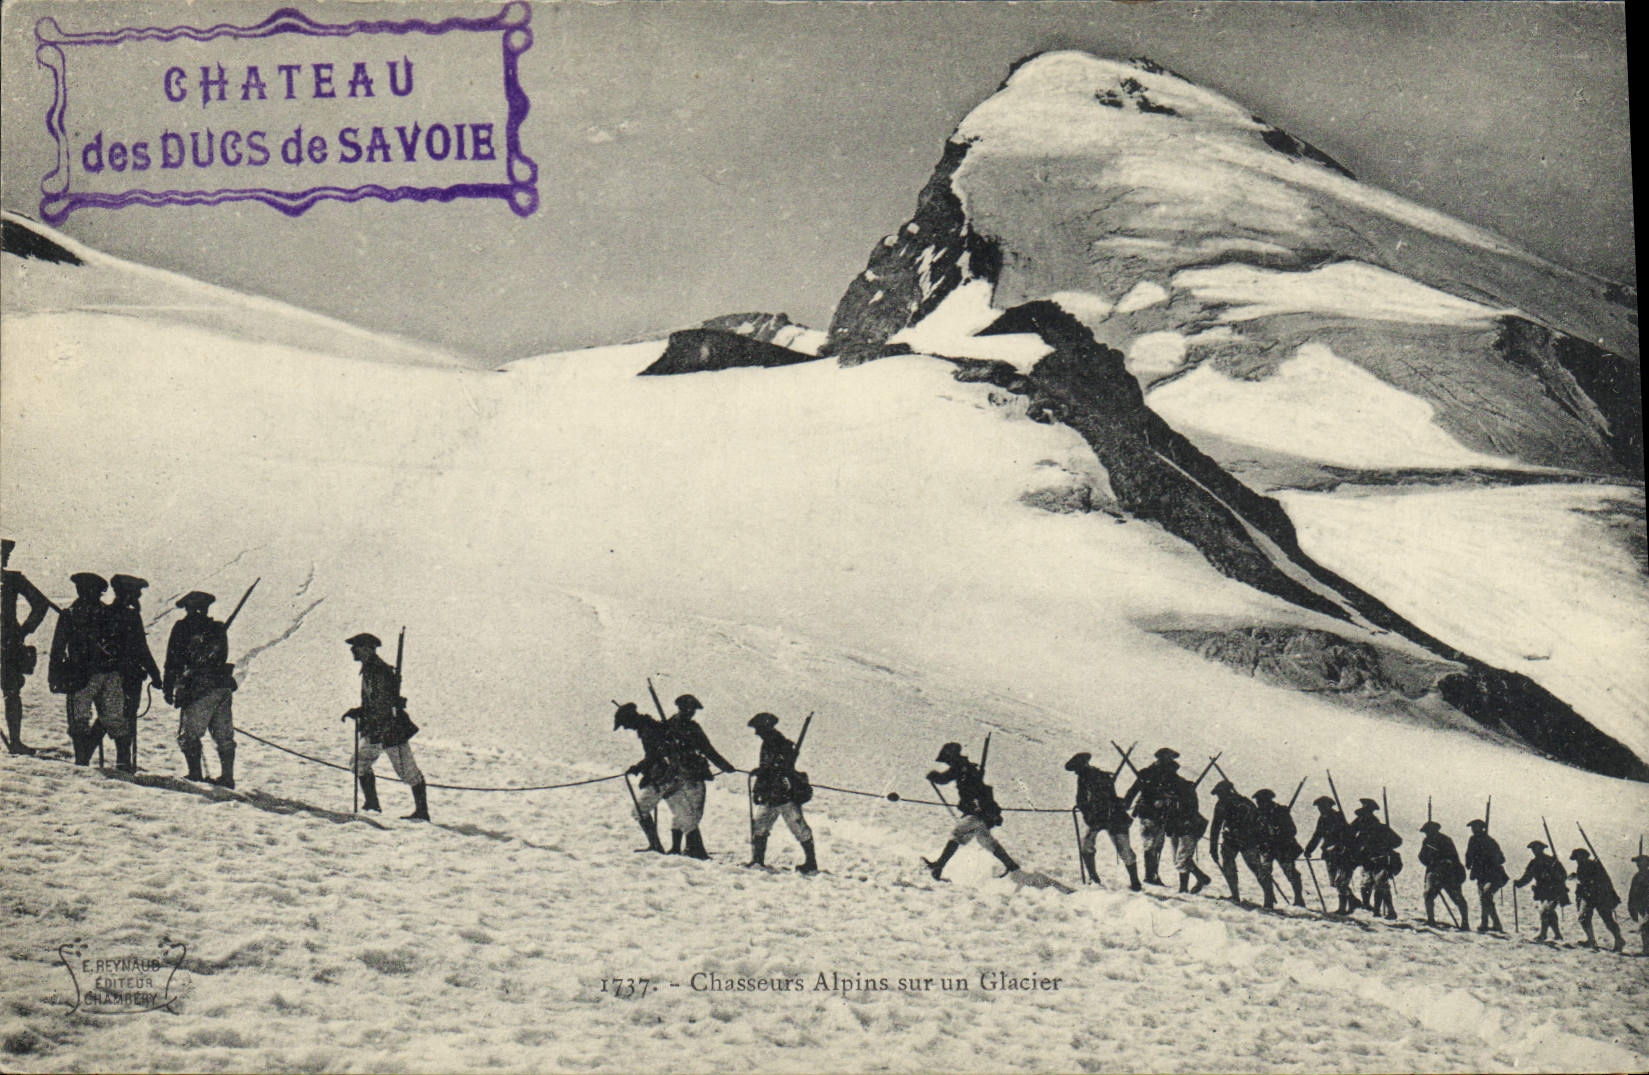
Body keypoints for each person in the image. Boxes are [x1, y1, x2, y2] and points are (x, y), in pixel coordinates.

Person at [343, 633, 427, 820]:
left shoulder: (379, 672)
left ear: (367, 648)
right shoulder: (370, 670)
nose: (352, 650)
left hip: (389, 731)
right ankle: (372, 803)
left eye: (355, 646)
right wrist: (360, 711)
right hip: (375, 730)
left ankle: (422, 812)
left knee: (408, 774)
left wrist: (363, 714)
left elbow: (382, 705)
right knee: (359, 763)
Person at [163, 592, 239, 787]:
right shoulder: (217, 628)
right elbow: (221, 657)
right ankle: (227, 777)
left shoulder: (182, 628)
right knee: (223, 735)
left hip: (197, 689)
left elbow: (172, 659)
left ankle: (195, 773)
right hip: (221, 687)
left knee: (189, 734)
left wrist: (168, 685)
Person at [48, 572, 121, 766]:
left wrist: (54, 676)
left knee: (83, 719)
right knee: (108, 718)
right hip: (99, 673)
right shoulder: (106, 614)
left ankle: (84, 756)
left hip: (84, 674)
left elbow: (57, 649)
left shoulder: (71, 614)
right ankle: (89, 757)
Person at [923, 741, 1019, 880]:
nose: (948, 764)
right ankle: (1011, 866)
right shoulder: (967, 767)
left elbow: (945, 778)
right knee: (985, 840)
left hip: (977, 810)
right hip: (982, 811)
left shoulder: (960, 766)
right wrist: (994, 812)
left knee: (958, 834)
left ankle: (939, 866)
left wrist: (933, 776)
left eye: (947, 760)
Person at [662, 694, 736, 860]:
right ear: (682, 708)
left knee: (681, 811)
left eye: (692, 710)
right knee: (693, 812)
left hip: (677, 775)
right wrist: (724, 765)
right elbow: (708, 750)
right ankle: (693, 848)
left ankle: (676, 847)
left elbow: (707, 749)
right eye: (690, 710)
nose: (691, 713)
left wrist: (725, 766)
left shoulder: (668, 725)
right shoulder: (689, 728)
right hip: (690, 775)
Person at [745, 712, 818, 874]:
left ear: (766, 727)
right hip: (771, 794)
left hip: (784, 794)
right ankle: (757, 860)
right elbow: (767, 767)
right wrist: (759, 783)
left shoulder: (779, 744)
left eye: (758, 729)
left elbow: (778, 768)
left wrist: (762, 773)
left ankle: (811, 863)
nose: (756, 732)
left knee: (798, 826)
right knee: (760, 825)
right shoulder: (770, 743)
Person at [1, 538, 53, 756]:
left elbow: (41, 604)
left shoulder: (13, 579)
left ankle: (15, 742)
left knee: (12, 693)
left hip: (8, 644)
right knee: (12, 693)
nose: (4, 559)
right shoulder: (12, 580)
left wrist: (24, 630)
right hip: (9, 641)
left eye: (5, 555)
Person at [107, 574, 163, 773]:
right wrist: (155, 675)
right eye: (136, 593)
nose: (138, 596)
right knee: (127, 716)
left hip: (109, 674)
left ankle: (86, 754)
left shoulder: (107, 612)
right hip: (128, 676)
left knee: (110, 716)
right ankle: (123, 762)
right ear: (127, 593)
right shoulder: (130, 615)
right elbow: (141, 648)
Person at [1066, 752, 1140, 890]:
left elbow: (1107, 795)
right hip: (1095, 817)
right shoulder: (1084, 778)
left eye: (1078, 768)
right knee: (1086, 844)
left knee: (1123, 848)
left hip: (1113, 816)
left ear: (1084, 765)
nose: (1077, 772)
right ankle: (1094, 878)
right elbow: (1081, 799)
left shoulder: (1098, 775)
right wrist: (1086, 811)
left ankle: (1135, 882)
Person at [613, 702, 676, 853]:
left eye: (625, 724)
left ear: (631, 719)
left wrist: (639, 767)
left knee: (639, 810)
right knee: (681, 814)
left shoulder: (647, 730)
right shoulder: (649, 726)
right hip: (669, 773)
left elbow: (655, 755)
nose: (626, 728)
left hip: (663, 775)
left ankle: (656, 846)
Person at [1122, 747, 1185, 887]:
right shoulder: (1147, 773)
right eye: (1167, 757)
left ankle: (1153, 875)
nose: (1169, 760)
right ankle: (1150, 876)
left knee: (1158, 845)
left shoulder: (1172, 776)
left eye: (1171, 757)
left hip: (1164, 815)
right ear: (1160, 757)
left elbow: (1180, 791)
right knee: (1150, 844)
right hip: (1148, 813)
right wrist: (1126, 805)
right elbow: (1133, 790)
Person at [1209, 780, 1274, 907]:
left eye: (1220, 793)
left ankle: (1236, 895)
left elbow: (1215, 826)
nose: (1219, 796)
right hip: (1247, 841)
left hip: (1235, 840)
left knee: (1231, 865)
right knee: (1256, 868)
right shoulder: (1246, 802)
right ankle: (1268, 898)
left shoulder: (1222, 804)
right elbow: (1259, 822)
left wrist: (1213, 848)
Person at [1348, 798, 1401, 919]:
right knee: (1365, 885)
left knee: (1381, 885)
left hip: (1381, 860)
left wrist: (1385, 847)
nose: (1360, 819)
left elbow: (1398, 841)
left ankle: (1388, 911)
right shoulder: (1361, 831)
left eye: (1364, 815)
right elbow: (1351, 836)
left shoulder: (1381, 828)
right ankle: (1369, 906)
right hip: (1367, 861)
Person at [1253, 788, 1306, 908]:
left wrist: (1279, 831)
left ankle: (1299, 898)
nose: (1259, 804)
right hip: (1267, 849)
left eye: (1261, 801)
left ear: (1268, 800)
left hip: (1283, 848)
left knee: (1291, 873)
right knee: (1264, 873)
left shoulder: (1281, 811)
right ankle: (1268, 899)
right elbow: (1254, 830)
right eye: (1258, 802)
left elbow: (1292, 830)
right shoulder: (1257, 813)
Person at [1304, 796, 1357, 914]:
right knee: (1334, 882)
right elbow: (1317, 835)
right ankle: (1353, 901)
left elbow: (1346, 835)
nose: (1321, 809)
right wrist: (1309, 849)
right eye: (1319, 807)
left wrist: (1340, 846)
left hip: (1343, 854)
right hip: (1329, 855)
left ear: (1329, 806)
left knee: (1341, 882)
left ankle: (1343, 908)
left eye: (1323, 806)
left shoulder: (1338, 817)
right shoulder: (1322, 819)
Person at [1568, 848, 1625, 952]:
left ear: (1585, 856)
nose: (1579, 859)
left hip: (1600, 896)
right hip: (1588, 897)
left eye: (1580, 857)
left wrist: (1577, 878)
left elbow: (1599, 881)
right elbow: (1583, 881)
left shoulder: (1594, 865)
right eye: (1577, 858)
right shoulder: (1581, 866)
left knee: (1607, 919)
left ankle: (1619, 939)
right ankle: (1591, 940)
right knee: (1583, 917)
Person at [1417, 821, 1471, 931]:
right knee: (1428, 895)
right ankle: (1431, 920)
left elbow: (1452, 857)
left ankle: (1465, 922)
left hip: (1449, 873)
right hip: (1434, 872)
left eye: (1429, 831)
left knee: (1457, 897)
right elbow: (1422, 857)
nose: (1427, 834)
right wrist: (1429, 860)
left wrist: (1441, 861)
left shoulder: (1445, 840)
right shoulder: (1427, 841)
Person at [1513, 840, 1569, 943]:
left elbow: (1564, 875)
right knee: (1549, 912)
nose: (1535, 851)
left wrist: (1554, 875)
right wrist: (1519, 883)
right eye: (1533, 849)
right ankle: (1557, 934)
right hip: (1542, 892)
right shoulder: (1534, 863)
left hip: (1555, 890)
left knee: (1545, 911)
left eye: (1537, 848)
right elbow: (1528, 876)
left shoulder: (1552, 861)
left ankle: (1543, 935)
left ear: (1542, 849)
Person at [1463, 819, 1508, 933]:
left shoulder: (1490, 841)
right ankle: (1495, 925)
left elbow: (1501, 859)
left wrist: (1489, 857)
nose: (1473, 830)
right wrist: (1469, 863)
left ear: (1481, 828)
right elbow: (1469, 854)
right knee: (1485, 899)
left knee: (1486, 896)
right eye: (1472, 828)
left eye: (1476, 827)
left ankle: (1485, 924)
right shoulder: (1472, 840)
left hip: (1494, 876)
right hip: (1480, 875)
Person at [1627, 852, 1649, 956]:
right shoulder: (1636, 876)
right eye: (1638, 863)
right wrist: (1631, 907)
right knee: (1645, 928)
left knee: (1645, 927)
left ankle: (1646, 950)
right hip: (1642, 907)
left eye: (1641, 863)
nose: (1638, 865)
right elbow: (1632, 893)